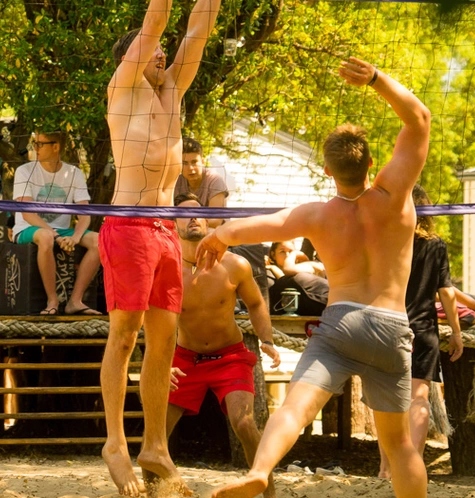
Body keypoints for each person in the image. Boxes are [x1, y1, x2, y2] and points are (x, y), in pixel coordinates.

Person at [199, 57, 431, 498]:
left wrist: (222, 234)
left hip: (341, 322)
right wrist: (377, 80)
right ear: (372, 163)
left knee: (294, 409)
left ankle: (261, 471)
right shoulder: (395, 195)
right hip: (390, 326)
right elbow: (419, 118)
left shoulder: (319, 216)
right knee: (399, 445)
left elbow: (268, 223)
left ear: (327, 170)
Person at [100, 0, 247, 496]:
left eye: (160, 53)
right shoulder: (125, 88)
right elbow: (158, 21)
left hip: (164, 228)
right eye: (148, 51)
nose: (160, 54)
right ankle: (114, 441)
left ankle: (155, 446)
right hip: (129, 223)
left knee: (167, 338)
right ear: (132, 59)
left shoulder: (172, 95)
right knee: (125, 336)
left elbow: (196, 34)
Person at [169, 195, 281, 498]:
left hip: (229, 357)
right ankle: (155, 491)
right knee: (156, 431)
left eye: (198, 215)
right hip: (183, 358)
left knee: (243, 423)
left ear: (210, 221)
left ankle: (267, 491)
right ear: (172, 222)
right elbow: (149, 319)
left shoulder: (235, 264)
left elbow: (257, 303)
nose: (192, 219)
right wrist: (159, 363)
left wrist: (267, 340)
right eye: (184, 215)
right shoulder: (166, 267)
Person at [377, 184, 464, 479]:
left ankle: (386, 468)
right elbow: (447, 293)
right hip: (422, 328)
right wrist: (456, 331)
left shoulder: (385, 240)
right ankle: (411, 464)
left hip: (386, 326)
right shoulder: (436, 245)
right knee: (419, 398)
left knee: (387, 400)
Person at [11, 131, 102, 315]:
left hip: (62, 231)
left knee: (99, 241)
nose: (35, 148)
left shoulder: (74, 173)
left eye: (40, 144)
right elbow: (27, 214)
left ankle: (75, 301)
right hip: (27, 228)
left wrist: (75, 238)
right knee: (45, 236)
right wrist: (56, 235)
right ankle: (52, 300)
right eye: (33, 143)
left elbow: (85, 214)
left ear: (56, 146)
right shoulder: (24, 171)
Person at [176, 136, 229, 227]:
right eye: (184, 163)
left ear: (202, 161)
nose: (190, 168)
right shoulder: (176, 181)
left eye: (194, 162)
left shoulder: (215, 180)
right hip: (185, 232)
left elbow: (215, 221)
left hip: (214, 233)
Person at [265, 240, 328, 316]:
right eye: (282, 252)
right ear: (273, 254)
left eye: (291, 252)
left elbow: (287, 276)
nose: (287, 255)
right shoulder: (268, 274)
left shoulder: (309, 267)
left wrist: (273, 268)